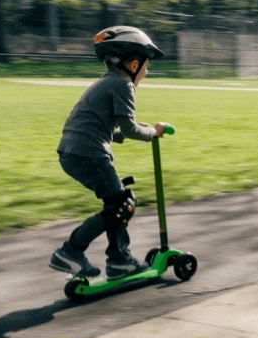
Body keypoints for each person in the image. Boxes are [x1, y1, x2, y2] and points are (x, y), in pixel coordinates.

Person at [50, 26, 170, 280]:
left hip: (73, 151)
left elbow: (102, 126)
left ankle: (118, 260)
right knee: (122, 205)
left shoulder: (106, 82)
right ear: (134, 64)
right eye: (146, 67)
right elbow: (129, 127)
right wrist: (153, 133)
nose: (146, 73)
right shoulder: (123, 85)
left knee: (118, 203)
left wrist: (125, 133)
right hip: (89, 153)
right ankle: (73, 252)